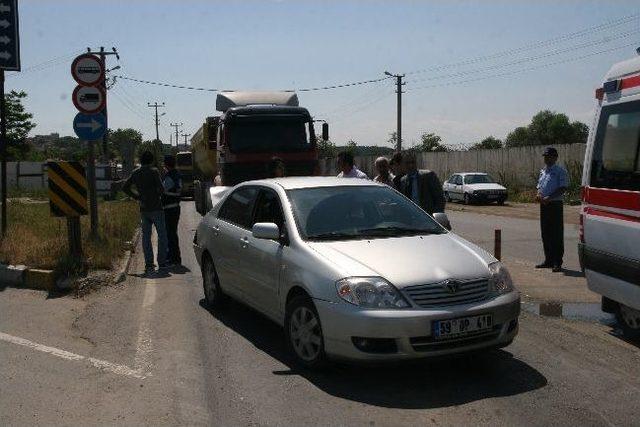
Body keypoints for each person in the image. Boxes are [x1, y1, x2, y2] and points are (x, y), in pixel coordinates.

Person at [122, 151, 168, 275]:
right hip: (156, 208)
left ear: (141, 161)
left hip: (144, 209)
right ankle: (162, 262)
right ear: (151, 160)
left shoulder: (135, 173)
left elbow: (125, 187)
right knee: (162, 235)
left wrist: (137, 197)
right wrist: (157, 195)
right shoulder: (154, 172)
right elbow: (161, 189)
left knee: (146, 237)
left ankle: (149, 264)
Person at [535, 147, 569, 272]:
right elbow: (539, 185)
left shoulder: (560, 171)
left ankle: (557, 262)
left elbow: (563, 188)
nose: (546, 158)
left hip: (555, 204)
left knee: (556, 234)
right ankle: (548, 260)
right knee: (546, 233)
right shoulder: (543, 171)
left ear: (555, 157)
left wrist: (549, 197)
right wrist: (539, 194)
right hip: (544, 204)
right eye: (545, 156)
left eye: (549, 156)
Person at [162, 155, 183, 266]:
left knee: (170, 234)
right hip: (175, 207)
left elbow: (162, 190)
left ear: (166, 164)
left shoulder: (169, 176)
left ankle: (173, 258)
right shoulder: (177, 174)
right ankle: (174, 257)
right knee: (172, 233)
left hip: (169, 209)